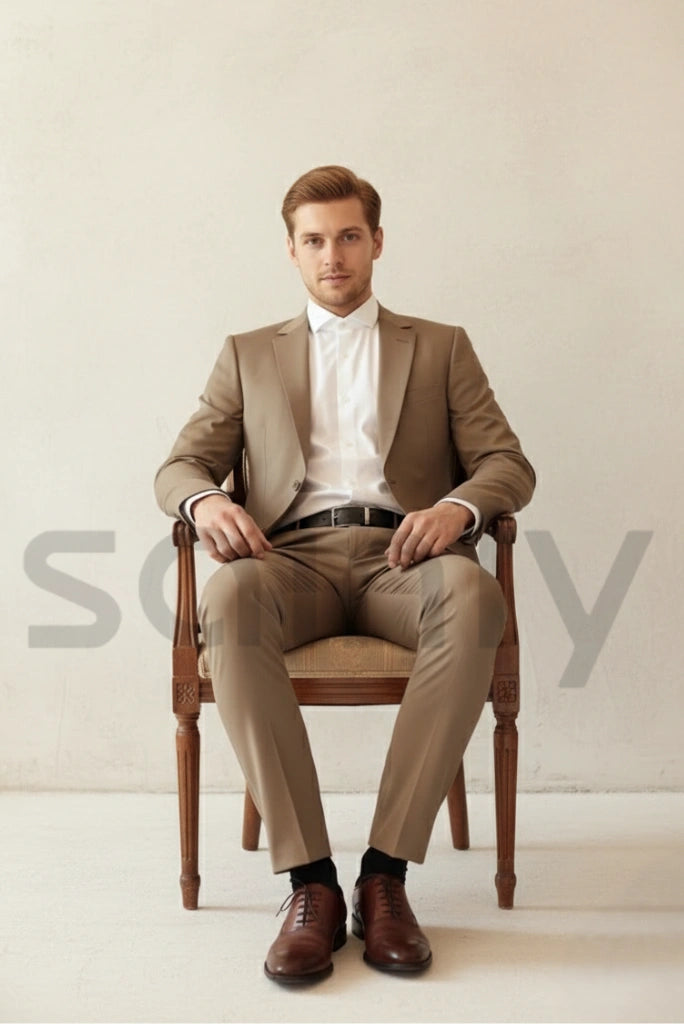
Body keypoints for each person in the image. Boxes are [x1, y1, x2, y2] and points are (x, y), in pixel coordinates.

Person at [155, 165, 535, 985]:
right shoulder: (248, 353)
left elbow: (507, 462)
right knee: (227, 599)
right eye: (315, 240)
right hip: (286, 560)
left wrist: (459, 510)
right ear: (292, 252)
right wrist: (203, 505)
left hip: (408, 558)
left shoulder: (439, 346)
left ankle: (387, 872)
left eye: (350, 236)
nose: (334, 255)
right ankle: (312, 884)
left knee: (475, 595)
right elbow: (184, 462)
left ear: (377, 243)